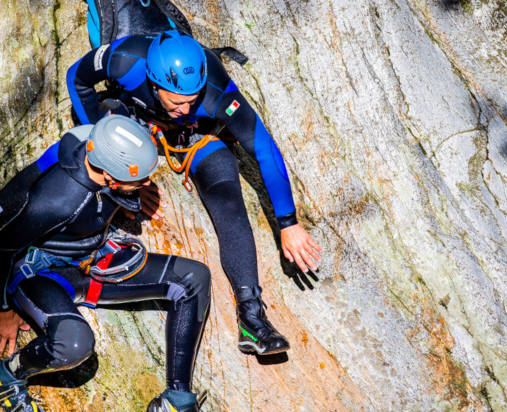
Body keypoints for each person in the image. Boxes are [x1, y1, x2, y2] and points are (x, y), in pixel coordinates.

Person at [0, 116, 210, 412]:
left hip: (92, 256)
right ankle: (5, 378)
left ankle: (176, 399)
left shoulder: (98, 142)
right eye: (140, 179)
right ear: (109, 175)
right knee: (74, 344)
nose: (148, 183)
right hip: (41, 274)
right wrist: (4, 310)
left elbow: (111, 112)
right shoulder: (56, 201)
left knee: (194, 278)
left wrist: (135, 186)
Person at [64, 30, 321, 355]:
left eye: (192, 100)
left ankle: (252, 317)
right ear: (154, 84)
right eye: (177, 101)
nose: (186, 107)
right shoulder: (125, 59)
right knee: (108, 130)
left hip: (195, 137)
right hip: (135, 123)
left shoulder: (216, 90)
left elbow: (263, 148)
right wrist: (108, 151)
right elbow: (77, 78)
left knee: (228, 195)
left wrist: (288, 223)